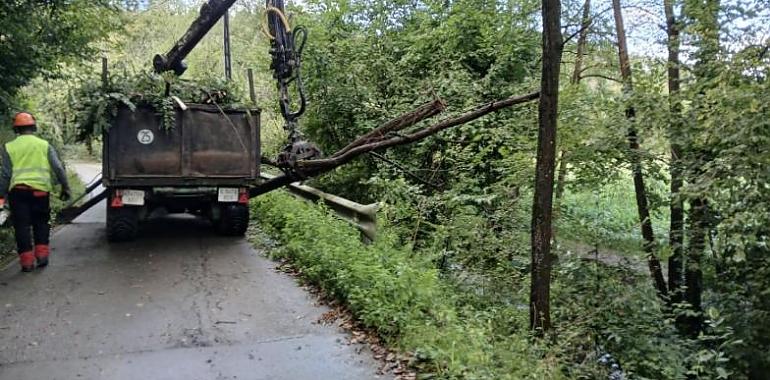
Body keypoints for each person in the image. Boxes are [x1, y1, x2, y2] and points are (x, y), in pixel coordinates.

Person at [0, 112, 71, 272]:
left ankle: (26, 263)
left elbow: (5, 174)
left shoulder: (8, 147)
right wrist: (65, 187)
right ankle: (42, 257)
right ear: (33, 126)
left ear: (16, 129)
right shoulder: (44, 145)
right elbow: (58, 167)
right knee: (41, 223)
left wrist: (1, 194)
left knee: (22, 226)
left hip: (18, 193)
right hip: (40, 192)